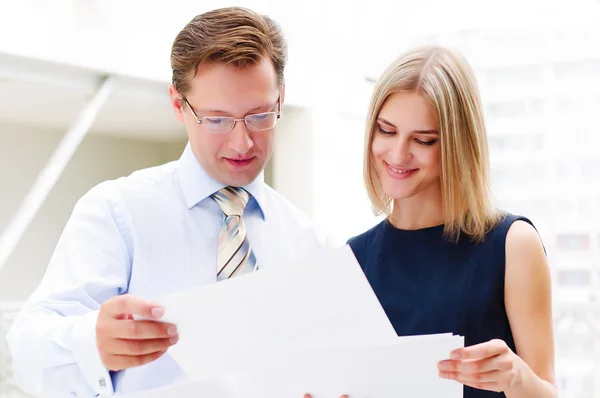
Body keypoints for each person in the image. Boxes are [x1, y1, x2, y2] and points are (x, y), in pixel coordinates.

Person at [7, 7, 328, 397]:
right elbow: (27, 351)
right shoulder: (117, 212)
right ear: (178, 105)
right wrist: (90, 342)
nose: (242, 142)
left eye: (259, 115)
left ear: (281, 98)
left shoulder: (311, 243)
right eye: (217, 119)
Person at [347, 46, 556, 397]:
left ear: (458, 146)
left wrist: (517, 378)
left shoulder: (512, 245)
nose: (398, 155)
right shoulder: (353, 259)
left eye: (423, 140)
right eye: (386, 131)